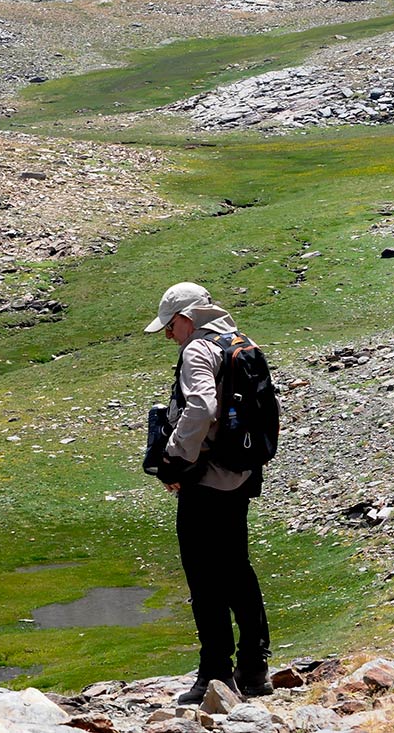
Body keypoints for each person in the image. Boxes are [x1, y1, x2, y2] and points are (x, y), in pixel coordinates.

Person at [143, 281, 272, 704]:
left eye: (170, 326)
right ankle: (254, 668)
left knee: (203, 576)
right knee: (237, 568)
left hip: (205, 480)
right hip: (241, 474)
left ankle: (214, 671)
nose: (168, 335)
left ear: (186, 318)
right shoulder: (240, 342)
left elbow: (201, 407)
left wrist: (173, 459)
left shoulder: (198, 349)